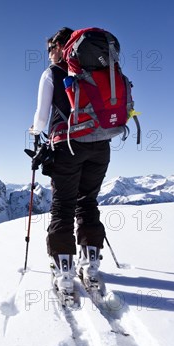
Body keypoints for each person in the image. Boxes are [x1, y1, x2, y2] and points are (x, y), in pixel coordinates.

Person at [29, 27, 121, 296]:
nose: (48, 54)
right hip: (101, 146)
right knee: (88, 202)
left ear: (61, 46)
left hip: (68, 147)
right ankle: (91, 266)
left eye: (50, 48)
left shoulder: (53, 74)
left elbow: (41, 117)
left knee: (63, 206)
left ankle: (64, 273)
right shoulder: (99, 72)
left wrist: (34, 132)